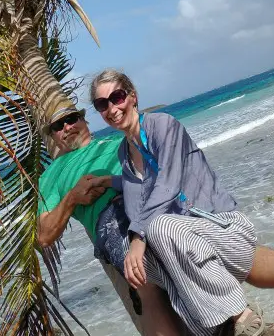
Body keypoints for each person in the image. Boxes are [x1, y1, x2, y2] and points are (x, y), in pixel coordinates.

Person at [89, 68, 274, 336]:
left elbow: (166, 183)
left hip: (219, 225)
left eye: (117, 97)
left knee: (160, 228)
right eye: (102, 104)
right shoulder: (124, 155)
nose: (112, 108)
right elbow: (138, 191)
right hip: (188, 244)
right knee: (149, 254)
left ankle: (237, 318)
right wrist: (110, 182)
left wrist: (137, 235)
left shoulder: (161, 125)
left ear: (132, 95)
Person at [36, 105, 183, 336]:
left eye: (72, 119)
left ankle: (236, 319)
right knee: (145, 279)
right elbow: (44, 235)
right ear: (53, 135)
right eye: (58, 126)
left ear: (84, 121)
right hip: (111, 216)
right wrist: (73, 197)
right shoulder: (51, 175)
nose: (67, 127)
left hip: (146, 199)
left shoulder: (118, 142)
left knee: (190, 248)